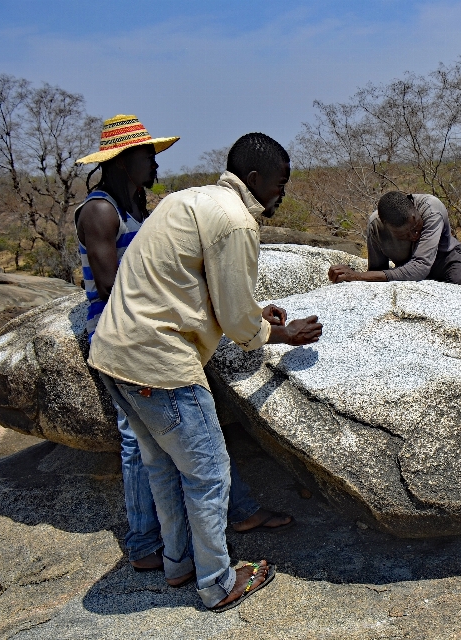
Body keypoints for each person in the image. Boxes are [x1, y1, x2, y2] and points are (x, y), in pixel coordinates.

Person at [87, 132, 323, 611]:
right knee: (210, 474)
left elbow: (196, 287)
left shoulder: (187, 199)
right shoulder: (236, 221)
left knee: (161, 465)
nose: (282, 193)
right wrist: (281, 334)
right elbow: (235, 318)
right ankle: (217, 582)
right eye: (280, 183)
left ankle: (177, 565)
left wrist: (255, 313)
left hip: (114, 351)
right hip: (159, 363)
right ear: (255, 181)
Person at [75, 114, 179, 572]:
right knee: (136, 438)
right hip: (120, 334)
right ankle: (142, 543)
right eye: (148, 156)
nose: (155, 165)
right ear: (122, 160)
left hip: (146, 327)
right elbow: (107, 283)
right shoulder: (100, 210)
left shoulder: (138, 206)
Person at [328, 191, 461, 288]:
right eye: (404, 235)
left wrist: (357, 276)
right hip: (407, 265)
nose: (414, 236)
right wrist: (353, 277)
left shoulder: (432, 208)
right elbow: (377, 270)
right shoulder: (375, 226)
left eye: (416, 226)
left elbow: (421, 267)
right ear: (385, 226)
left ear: (414, 210)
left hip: (445, 258)